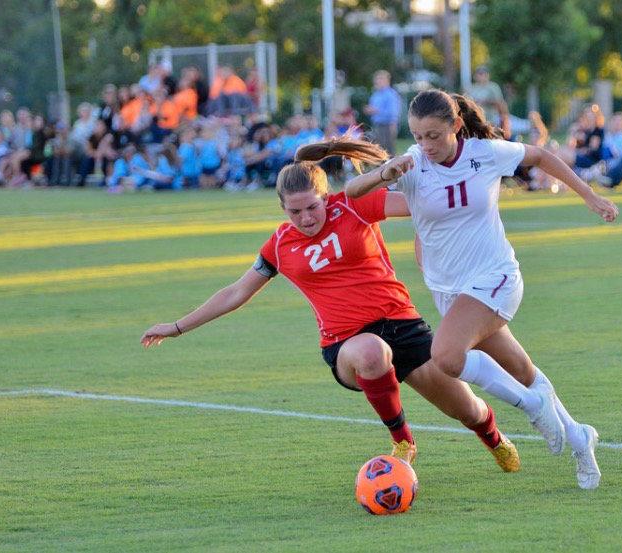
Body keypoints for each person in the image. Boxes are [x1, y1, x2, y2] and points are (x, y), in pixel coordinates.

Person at [142, 137, 569, 472]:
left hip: (404, 327)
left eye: (312, 207)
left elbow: (429, 208)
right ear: (282, 209)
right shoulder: (279, 244)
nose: (306, 218)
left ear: (325, 197)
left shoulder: (355, 206)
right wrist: (177, 326)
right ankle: (403, 440)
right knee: (370, 352)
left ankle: (494, 440)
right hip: (346, 344)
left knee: (471, 411)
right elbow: (236, 292)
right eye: (295, 212)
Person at [345, 90, 620, 489]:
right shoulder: (412, 164)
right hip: (451, 292)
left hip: (496, 277)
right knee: (522, 370)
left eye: (434, 135)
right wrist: (385, 172)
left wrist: (590, 196)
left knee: (446, 356)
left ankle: (533, 407)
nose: (426, 145)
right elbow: (354, 192)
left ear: (457, 126)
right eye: (418, 136)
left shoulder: (485, 153)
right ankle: (580, 438)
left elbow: (541, 157)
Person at [464, 65, 511, 139]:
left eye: (483, 74)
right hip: (476, 121)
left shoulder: (493, 87)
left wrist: (485, 101)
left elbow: (500, 103)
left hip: (491, 120)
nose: (481, 76)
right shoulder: (472, 88)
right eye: (479, 74)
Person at [363, 70, 402, 155]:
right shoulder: (375, 95)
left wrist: (393, 125)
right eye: (376, 79)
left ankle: (391, 168)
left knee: (388, 150)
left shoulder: (391, 94)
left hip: (387, 126)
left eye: (380, 79)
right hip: (377, 125)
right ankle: (381, 168)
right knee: (378, 149)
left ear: (387, 80)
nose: (377, 81)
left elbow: (393, 112)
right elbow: (372, 108)